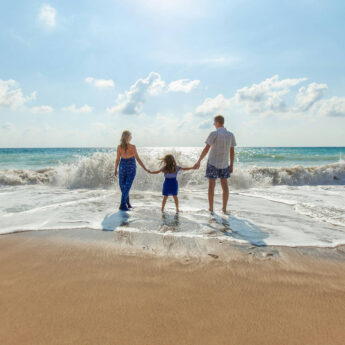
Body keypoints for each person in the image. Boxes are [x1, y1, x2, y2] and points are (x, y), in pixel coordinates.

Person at [194, 115, 236, 214]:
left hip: (213, 163)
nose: (214, 125)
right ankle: (224, 209)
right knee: (225, 187)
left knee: (211, 186)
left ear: (217, 123)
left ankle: (211, 209)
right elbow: (232, 151)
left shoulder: (214, 134)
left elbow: (206, 148)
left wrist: (199, 160)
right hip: (225, 164)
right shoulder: (230, 135)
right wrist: (232, 165)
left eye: (214, 123)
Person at [115, 130, 148, 211]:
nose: (131, 137)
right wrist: (115, 169)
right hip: (122, 166)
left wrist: (144, 167)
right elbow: (117, 159)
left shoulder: (133, 147)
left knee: (127, 186)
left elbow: (137, 158)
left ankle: (122, 204)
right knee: (123, 186)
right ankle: (127, 203)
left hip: (131, 167)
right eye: (130, 136)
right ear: (127, 137)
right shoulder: (119, 147)